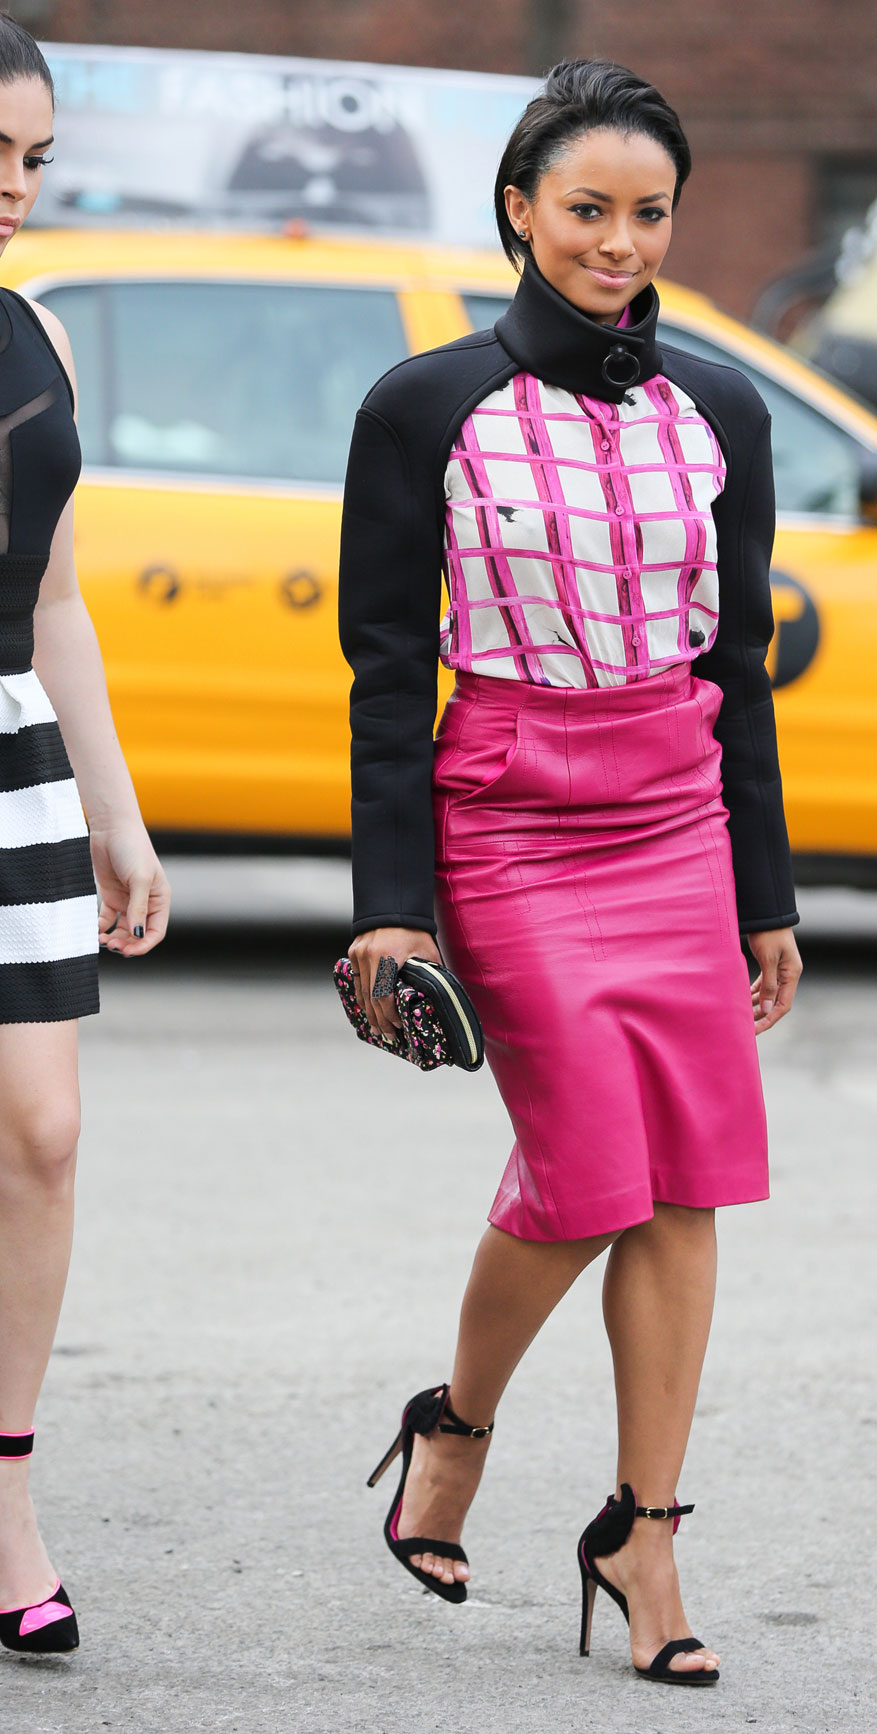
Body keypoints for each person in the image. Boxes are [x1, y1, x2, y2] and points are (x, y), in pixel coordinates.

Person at [339, 59, 801, 1687]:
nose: (621, 241)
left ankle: (645, 1530)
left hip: (677, 816)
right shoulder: (425, 406)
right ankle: (453, 1425)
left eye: (650, 213)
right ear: (520, 210)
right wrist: (390, 906)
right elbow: (389, 670)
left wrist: (767, 890)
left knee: (689, 1181)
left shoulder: (725, 410)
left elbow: (736, 666)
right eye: (588, 209)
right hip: (514, 821)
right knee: (593, 1165)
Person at [0, 18, 169, 1655]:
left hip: (12, 764)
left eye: (36, 162)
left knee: (42, 1135)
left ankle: (7, 1494)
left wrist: (114, 813)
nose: (14, 191)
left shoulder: (37, 328)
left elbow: (54, 594)